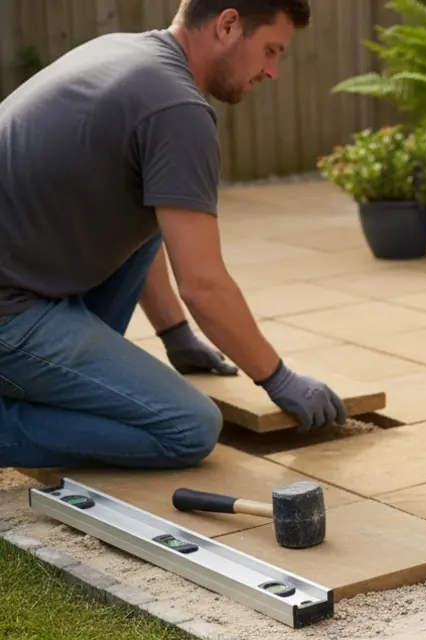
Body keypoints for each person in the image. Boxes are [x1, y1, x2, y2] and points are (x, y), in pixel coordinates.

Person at [0, 0, 348, 472]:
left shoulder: (124, 52)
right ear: (228, 25)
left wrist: (176, 333)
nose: (273, 71)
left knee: (157, 215)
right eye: (270, 50)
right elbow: (203, 284)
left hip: (24, 278)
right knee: (188, 427)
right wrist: (277, 378)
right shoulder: (177, 109)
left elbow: (139, 229)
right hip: (11, 312)